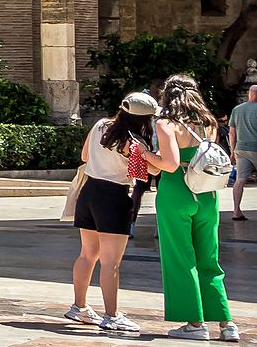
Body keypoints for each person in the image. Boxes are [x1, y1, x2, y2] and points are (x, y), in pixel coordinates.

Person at [69, 89, 178, 335]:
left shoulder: (100, 125)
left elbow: (85, 155)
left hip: (89, 192)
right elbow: (152, 172)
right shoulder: (134, 141)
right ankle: (112, 315)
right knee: (111, 262)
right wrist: (150, 154)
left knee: (88, 254)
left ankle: (80, 306)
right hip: (114, 196)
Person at [154, 75, 233, 340]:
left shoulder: (166, 123)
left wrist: (143, 154)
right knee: (210, 258)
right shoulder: (208, 122)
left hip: (177, 193)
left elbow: (170, 163)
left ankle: (195, 324)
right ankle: (226, 323)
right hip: (208, 194)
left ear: (167, 96)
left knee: (180, 258)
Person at [230, 84, 257, 223]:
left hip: (241, 150)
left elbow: (232, 133)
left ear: (249, 94)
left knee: (240, 180)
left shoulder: (236, 110)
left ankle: (236, 211)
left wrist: (232, 150)